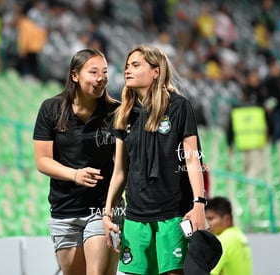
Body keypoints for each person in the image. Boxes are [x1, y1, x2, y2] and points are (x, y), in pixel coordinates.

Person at [103, 44, 207, 275]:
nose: (128, 70)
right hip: (135, 217)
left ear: (156, 72)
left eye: (136, 65)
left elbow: (192, 159)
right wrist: (108, 212)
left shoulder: (180, 107)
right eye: (127, 66)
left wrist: (199, 203)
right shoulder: (122, 114)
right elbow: (119, 171)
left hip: (173, 214)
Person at [32, 49, 120, 275]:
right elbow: (42, 160)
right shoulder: (51, 109)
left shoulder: (116, 112)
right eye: (93, 72)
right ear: (74, 75)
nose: (101, 78)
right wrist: (74, 174)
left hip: (103, 209)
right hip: (64, 210)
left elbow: (124, 163)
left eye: (105, 72)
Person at [205, 196, 253, 275]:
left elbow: (209, 272)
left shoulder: (223, 240)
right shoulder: (240, 235)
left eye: (210, 219)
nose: (207, 224)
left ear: (226, 218)